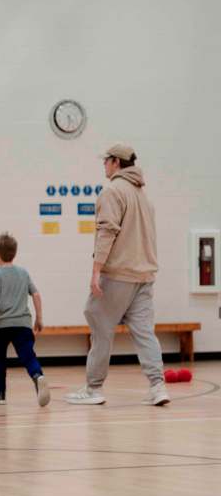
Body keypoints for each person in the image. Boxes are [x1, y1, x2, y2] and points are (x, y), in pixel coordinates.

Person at [66, 144, 169, 406]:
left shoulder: (112, 191)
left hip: (118, 274)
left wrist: (96, 270)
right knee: (145, 332)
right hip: (144, 276)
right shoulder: (144, 196)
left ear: (115, 162)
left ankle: (93, 388)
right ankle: (158, 386)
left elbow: (107, 231)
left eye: (106, 161)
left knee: (99, 324)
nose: (103, 165)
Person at [0, 232, 49, 407]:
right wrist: (39, 318)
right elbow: (36, 294)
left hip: (2, 326)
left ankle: (0, 394)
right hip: (23, 325)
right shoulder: (23, 273)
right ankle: (37, 375)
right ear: (14, 253)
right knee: (27, 355)